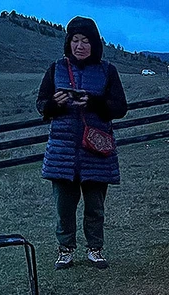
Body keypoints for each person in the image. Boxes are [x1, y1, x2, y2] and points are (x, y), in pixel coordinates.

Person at [37, 16, 128, 270]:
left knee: (95, 207)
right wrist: (56, 104)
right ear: (69, 42)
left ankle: (95, 249)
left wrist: (94, 102)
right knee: (64, 207)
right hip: (62, 151)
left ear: (95, 44)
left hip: (96, 152)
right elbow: (41, 104)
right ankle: (65, 250)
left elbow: (120, 107)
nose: (80, 46)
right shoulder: (56, 69)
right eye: (75, 40)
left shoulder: (107, 71)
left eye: (85, 41)